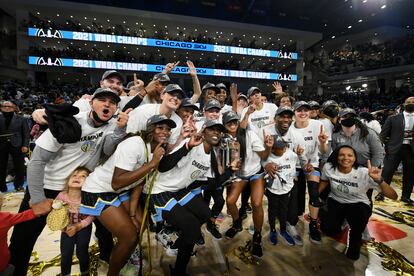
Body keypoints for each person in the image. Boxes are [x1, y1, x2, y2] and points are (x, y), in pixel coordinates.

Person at [8, 88, 130, 276]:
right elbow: (36, 161)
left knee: (86, 235)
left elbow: (106, 151)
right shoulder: (71, 121)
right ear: (91, 102)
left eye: (112, 102)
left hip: (78, 191)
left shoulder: (111, 125)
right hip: (47, 188)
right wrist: (38, 198)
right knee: (22, 243)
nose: (107, 104)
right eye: (102, 100)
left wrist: (120, 130)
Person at [81, 114, 172, 276]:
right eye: (160, 127)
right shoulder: (135, 144)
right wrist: (152, 165)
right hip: (98, 190)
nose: (165, 131)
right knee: (129, 236)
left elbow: (139, 182)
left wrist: (131, 213)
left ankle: (128, 260)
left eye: (168, 129)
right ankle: (113, 272)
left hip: (120, 191)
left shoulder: (155, 150)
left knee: (140, 225)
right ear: (150, 130)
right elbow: (117, 182)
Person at [146, 120, 225, 275]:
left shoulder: (211, 156)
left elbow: (212, 183)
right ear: (204, 131)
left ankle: (176, 243)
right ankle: (179, 271)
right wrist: (187, 146)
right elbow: (163, 166)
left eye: (219, 131)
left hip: (178, 189)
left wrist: (230, 172)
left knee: (205, 214)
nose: (216, 133)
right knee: (193, 229)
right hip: (159, 190)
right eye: (212, 129)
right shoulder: (193, 144)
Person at [319, 145, 397, 260]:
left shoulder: (364, 173)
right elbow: (324, 181)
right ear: (336, 157)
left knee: (357, 223)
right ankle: (342, 221)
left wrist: (379, 180)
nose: (346, 158)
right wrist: (314, 197)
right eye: (342, 155)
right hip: (336, 200)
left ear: (355, 158)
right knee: (329, 230)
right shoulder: (329, 168)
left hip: (357, 203)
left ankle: (355, 241)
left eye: (350, 155)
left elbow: (393, 196)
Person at [223, 110, 273, 258]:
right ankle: (237, 223)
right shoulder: (223, 139)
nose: (232, 124)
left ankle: (257, 236)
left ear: (239, 123)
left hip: (256, 172)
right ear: (224, 125)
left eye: (235, 122)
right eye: (229, 122)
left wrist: (268, 147)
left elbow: (263, 155)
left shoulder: (249, 135)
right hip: (239, 175)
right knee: (230, 201)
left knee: (257, 203)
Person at [291, 101, 328, 244]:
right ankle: (294, 218)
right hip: (295, 166)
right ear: (294, 113)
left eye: (305, 110)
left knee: (314, 194)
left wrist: (323, 143)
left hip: (312, 165)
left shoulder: (317, 125)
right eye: (299, 110)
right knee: (295, 196)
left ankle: (313, 224)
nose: (302, 113)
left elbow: (324, 152)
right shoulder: (290, 129)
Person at [0, 193, 50, 276]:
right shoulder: (5, 218)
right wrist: (42, 207)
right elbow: (25, 216)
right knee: (10, 268)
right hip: (3, 266)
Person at [56, 167, 94, 276]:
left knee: (82, 252)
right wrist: (62, 227)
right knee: (66, 253)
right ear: (67, 181)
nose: (77, 177)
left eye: (83, 176)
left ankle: (85, 272)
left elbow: (92, 215)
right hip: (66, 229)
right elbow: (56, 214)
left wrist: (80, 226)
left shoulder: (88, 197)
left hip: (83, 228)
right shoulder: (61, 196)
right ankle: (65, 273)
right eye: (74, 175)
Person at [262, 140, 300, 246]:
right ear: (273, 149)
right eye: (280, 148)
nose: (284, 149)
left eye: (284, 147)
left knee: (284, 210)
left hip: (286, 189)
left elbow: (296, 165)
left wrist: (294, 176)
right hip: (273, 190)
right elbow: (263, 164)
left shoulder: (291, 154)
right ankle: (273, 230)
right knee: (272, 211)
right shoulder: (267, 157)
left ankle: (283, 230)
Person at [379, 96, 414, 203]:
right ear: (404, 104)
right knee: (387, 172)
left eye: (413, 102)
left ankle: (406, 196)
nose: (411, 103)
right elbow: (382, 135)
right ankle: (381, 194)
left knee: (410, 173)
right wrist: (383, 147)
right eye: (408, 102)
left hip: (411, 150)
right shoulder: (393, 118)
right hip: (394, 149)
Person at [0, 101, 29, 192]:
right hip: (1, 145)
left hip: (18, 144)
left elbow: (26, 133)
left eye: (9, 106)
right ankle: (2, 187)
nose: (7, 108)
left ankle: (18, 185)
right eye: (5, 106)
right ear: (1, 108)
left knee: (19, 166)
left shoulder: (21, 119)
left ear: (13, 108)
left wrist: (25, 145)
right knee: (1, 167)